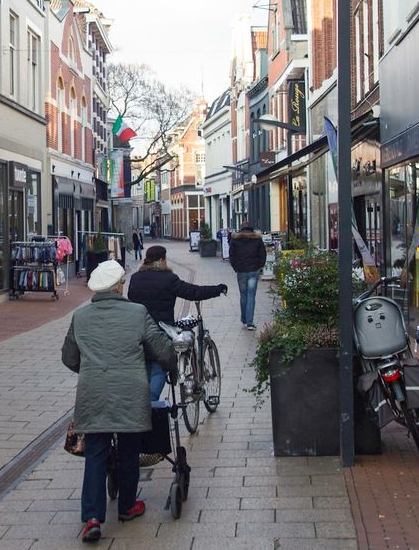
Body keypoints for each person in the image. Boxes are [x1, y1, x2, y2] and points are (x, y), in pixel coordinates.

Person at [62, 260, 176, 543]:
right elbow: (161, 348)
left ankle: (91, 518)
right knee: (129, 450)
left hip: (93, 395)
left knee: (95, 453)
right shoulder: (137, 313)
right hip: (130, 394)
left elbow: (69, 357)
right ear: (118, 287)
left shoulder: (81, 317)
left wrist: (90, 372)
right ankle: (127, 506)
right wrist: (172, 363)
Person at [127, 245, 227, 398]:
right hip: (162, 332)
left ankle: (142, 406)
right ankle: (152, 403)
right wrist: (217, 289)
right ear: (161, 260)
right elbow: (193, 292)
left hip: (138, 332)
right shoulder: (168, 279)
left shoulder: (135, 278)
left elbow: (131, 302)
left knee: (144, 369)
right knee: (159, 367)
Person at [229, 223, 267, 330]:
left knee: (243, 295)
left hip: (241, 271)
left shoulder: (235, 240)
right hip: (253, 271)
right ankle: (250, 322)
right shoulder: (257, 239)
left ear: (241, 229)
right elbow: (263, 255)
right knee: (251, 295)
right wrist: (259, 266)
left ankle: (244, 319)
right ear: (251, 229)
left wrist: (236, 267)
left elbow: (231, 255)